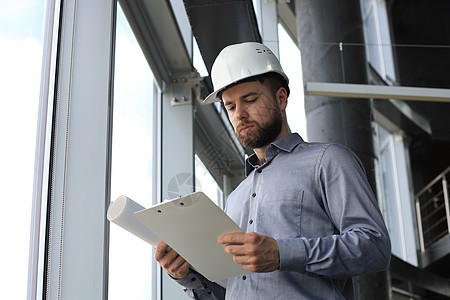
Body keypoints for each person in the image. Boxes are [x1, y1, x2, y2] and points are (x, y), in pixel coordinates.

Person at [155, 42, 391, 299]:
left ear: (281, 98)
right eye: (231, 106)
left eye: (250, 100)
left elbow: (374, 247)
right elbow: (234, 290)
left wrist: (282, 253)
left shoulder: (328, 160)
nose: (239, 115)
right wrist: (186, 275)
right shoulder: (235, 198)